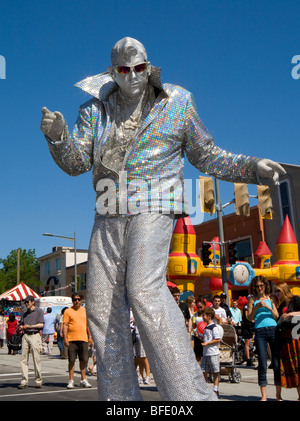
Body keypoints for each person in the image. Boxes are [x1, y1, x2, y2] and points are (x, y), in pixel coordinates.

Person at [40, 36, 285, 401]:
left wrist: (252, 167)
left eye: (140, 68)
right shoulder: (94, 111)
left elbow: (206, 155)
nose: (134, 76)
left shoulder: (177, 101)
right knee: (102, 308)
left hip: (156, 202)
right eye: (125, 70)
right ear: (113, 72)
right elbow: (77, 164)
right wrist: (58, 138)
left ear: (148, 66)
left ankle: (191, 397)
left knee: (143, 287)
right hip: (108, 210)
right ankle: (121, 402)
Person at [247, 276, 281, 401]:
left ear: (265, 285)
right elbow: (249, 317)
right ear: (254, 287)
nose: (260, 288)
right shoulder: (251, 299)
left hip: (273, 330)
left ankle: (278, 395)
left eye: (262, 285)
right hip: (260, 331)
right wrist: (256, 308)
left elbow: (277, 316)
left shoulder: (271, 298)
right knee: (262, 362)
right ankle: (264, 395)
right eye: (257, 286)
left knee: (276, 363)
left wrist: (269, 308)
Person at [275, 281, 300, 400]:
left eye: (278, 291)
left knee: (298, 365)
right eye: (276, 291)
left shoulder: (296, 300)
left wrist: (290, 314)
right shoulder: (280, 306)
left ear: (284, 290)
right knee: (291, 366)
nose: (277, 294)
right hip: (285, 338)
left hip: (296, 335)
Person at [63, 292, 93, 388]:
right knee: (71, 360)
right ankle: (71, 380)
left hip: (83, 339)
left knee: (83, 360)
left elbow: (88, 325)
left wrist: (90, 337)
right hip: (72, 339)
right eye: (75, 299)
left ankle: (83, 379)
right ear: (72, 301)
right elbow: (65, 325)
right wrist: (65, 338)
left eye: (78, 299)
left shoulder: (85, 310)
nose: (76, 301)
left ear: (81, 300)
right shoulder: (68, 311)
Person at [17, 295, 44, 389]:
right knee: (23, 359)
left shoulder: (39, 311)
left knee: (36, 358)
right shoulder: (24, 313)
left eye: (27, 302)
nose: (26, 304)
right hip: (25, 335)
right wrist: (20, 326)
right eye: (25, 302)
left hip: (35, 335)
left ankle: (38, 380)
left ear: (33, 302)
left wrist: (29, 326)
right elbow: (22, 323)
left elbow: (41, 325)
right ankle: (24, 380)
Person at [200, 307, 221, 398]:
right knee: (204, 370)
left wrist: (207, 343)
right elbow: (206, 338)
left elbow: (217, 339)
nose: (202, 317)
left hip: (213, 353)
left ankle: (215, 390)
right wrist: (200, 337)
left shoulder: (214, 327)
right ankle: (205, 389)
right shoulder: (206, 327)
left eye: (203, 315)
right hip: (206, 353)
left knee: (215, 372)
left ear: (209, 316)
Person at [130, 309, 151, 385]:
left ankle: (148, 376)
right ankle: (140, 375)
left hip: (141, 335)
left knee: (144, 356)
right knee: (138, 356)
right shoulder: (131, 311)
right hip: (135, 334)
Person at [241, 296, 255, 367]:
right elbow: (247, 316)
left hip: (252, 326)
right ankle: (248, 359)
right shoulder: (246, 306)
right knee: (247, 341)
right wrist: (252, 320)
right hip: (247, 325)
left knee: (253, 341)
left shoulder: (254, 305)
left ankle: (252, 355)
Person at [193, 297, 206, 364]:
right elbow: (194, 325)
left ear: (204, 306)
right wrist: (195, 331)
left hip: (206, 337)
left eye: (201, 307)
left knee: (206, 355)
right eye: (198, 307)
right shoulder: (195, 315)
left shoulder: (207, 314)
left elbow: (218, 319)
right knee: (198, 356)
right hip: (198, 337)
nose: (199, 309)